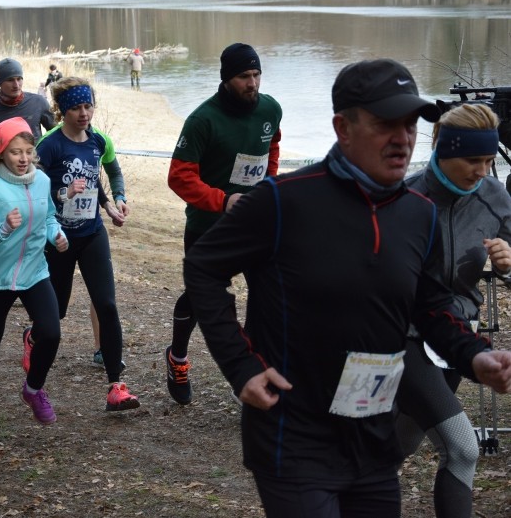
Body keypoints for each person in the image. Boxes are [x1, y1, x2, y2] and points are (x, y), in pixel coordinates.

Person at [183, 58, 511, 518]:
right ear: (343, 127)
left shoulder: (417, 214)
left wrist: (473, 355)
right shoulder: (284, 201)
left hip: (373, 440)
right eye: (384, 124)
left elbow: (431, 303)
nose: (403, 138)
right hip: (293, 435)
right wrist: (240, 365)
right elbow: (202, 267)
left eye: (410, 124)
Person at [395, 103, 511, 517]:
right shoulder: (406, 198)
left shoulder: (496, 198)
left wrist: (507, 262)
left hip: (456, 340)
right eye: (473, 160)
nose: (482, 171)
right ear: (444, 151)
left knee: (393, 450)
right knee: (462, 448)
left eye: (489, 160)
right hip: (404, 338)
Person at [165, 43, 282, 405]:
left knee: (266, 295)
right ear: (227, 79)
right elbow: (179, 176)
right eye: (244, 76)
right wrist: (223, 200)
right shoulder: (203, 120)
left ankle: (255, 373)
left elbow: (272, 148)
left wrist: (268, 187)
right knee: (201, 298)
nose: (253, 83)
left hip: (255, 223)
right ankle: (178, 357)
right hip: (208, 225)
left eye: (256, 74)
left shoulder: (270, 108)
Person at [37, 76, 140, 412]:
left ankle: (116, 386)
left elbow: (96, 178)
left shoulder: (96, 140)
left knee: (107, 305)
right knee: (57, 311)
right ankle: (32, 337)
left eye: (88, 106)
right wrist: (61, 194)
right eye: (76, 107)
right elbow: (31, 190)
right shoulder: (50, 145)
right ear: (62, 110)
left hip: (92, 233)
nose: (84, 113)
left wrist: (111, 205)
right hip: (60, 238)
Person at [0, 117, 68, 427]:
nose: (23, 159)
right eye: (15, 152)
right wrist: (3, 229)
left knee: (51, 332)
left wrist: (57, 234)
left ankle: (33, 390)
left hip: (35, 273)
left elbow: (49, 217)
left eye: (28, 151)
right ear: (1, 154)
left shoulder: (43, 181)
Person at [0, 58, 54, 166]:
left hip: (35, 172)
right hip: (2, 176)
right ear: (0, 82)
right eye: (10, 80)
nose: (16, 85)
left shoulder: (39, 102)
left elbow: (55, 133)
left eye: (19, 79)